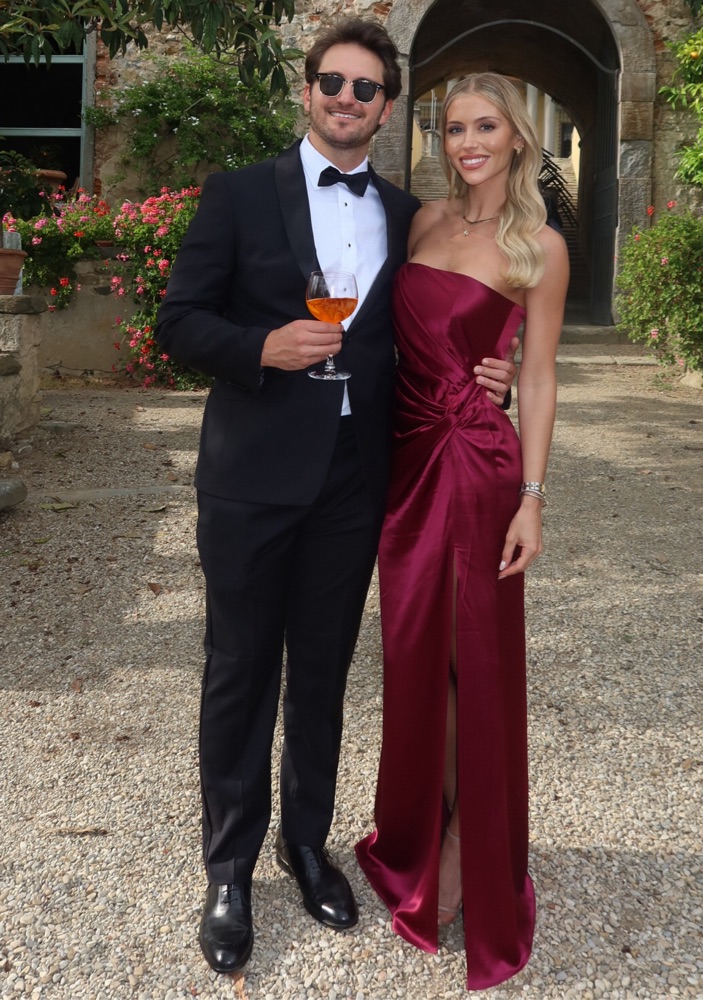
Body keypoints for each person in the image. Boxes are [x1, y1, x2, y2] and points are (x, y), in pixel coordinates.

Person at [154, 19, 517, 976]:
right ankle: (228, 869)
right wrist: (260, 347)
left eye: (365, 88)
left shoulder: (408, 215)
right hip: (251, 478)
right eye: (332, 82)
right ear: (307, 89)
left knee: (320, 672)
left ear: (386, 108)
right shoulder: (239, 194)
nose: (346, 99)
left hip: (358, 482)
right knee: (240, 669)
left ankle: (305, 845)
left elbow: (446, 326)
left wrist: (492, 376)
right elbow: (178, 322)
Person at [355, 73, 569, 990]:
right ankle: (418, 825)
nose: (468, 142)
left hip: (475, 466)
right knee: (415, 655)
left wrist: (533, 497)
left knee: (466, 658)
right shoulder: (422, 223)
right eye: (452, 128)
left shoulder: (539, 246)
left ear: (517, 138)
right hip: (403, 459)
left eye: (486, 127)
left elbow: (541, 374)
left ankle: (458, 844)